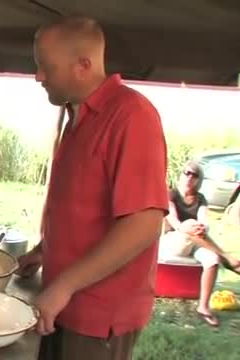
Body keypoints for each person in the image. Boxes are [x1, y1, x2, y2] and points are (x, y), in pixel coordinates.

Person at [17, 16, 169, 359]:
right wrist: (44, 249)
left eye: (46, 67)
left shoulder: (131, 115)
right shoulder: (77, 116)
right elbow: (84, 208)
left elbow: (143, 223)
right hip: (61, 301)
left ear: (83, 65)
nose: (39, 76)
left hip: (98, 312)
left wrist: (64, 286)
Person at [160, 160, 240, 326]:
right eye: (187, 173)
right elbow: (175, 222)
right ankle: (228, 259)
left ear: (199, 180)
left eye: (195, 175)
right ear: (181, 175)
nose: (190, 177)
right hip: (173, 242)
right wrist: (191, 226)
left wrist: (200, 227)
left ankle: (203, 307)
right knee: (190, 226)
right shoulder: (171, 194)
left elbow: (204, 221)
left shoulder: (201, 199)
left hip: (197, 240)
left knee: (212, 259)